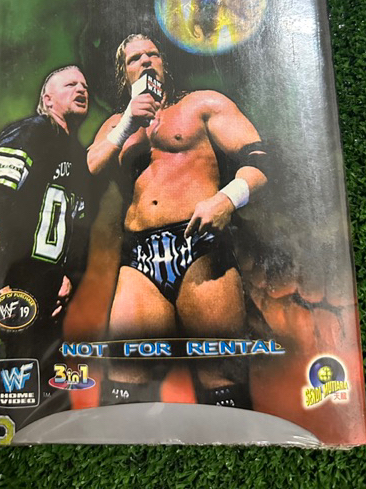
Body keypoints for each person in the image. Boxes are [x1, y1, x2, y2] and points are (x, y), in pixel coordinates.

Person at [87, 34, 269, 409]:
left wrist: (227, 198)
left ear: (163, 63)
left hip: (199, 243)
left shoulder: (201, 104)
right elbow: (88, 168)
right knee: (124, 376)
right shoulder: (115, 126)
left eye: (152, 54)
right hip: (140, 256)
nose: (146, 61)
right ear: (123, 74)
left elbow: (262, 159)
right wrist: (128, 122)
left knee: (221, 374)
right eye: (135, 58)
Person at [0, 65, 92, 442]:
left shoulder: (77, 155)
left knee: (47, 399)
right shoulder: (33, 131)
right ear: (47, 99)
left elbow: (72, 225)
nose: (81, 89)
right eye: (70, 84)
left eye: (85, 85)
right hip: (11, 283)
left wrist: (67, 277)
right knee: (8, 396)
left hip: (47, 290)